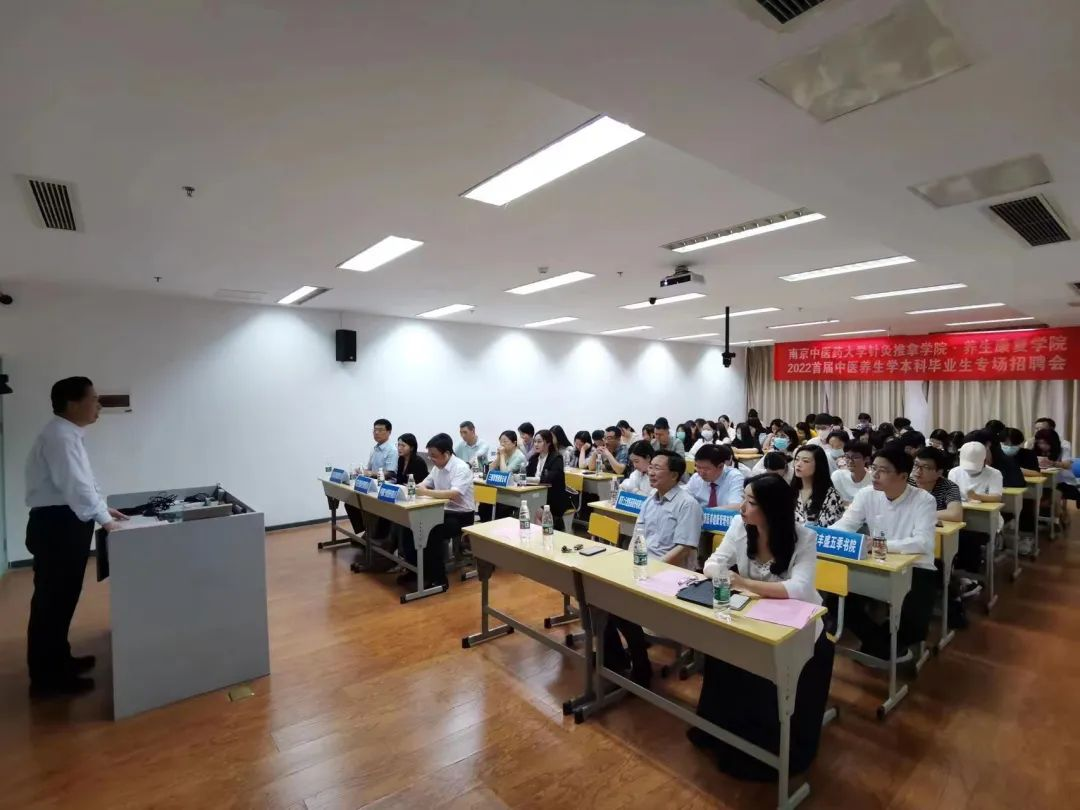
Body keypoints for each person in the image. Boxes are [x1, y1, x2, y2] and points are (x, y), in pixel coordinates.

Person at [691, 474, 833, 780]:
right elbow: (712, 564)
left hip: (798, 628)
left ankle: (769, 750)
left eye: (751, 502)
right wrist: (729, 577)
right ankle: (723, 733)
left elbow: (799, 588)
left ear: (772, 508)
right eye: (743, 498)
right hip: (752, 618)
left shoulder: (804, 537)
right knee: (725, 655)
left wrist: (741, 583)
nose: (742, 507)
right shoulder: (739, 527)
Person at [24, 377, 128, 695]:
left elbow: (85, 482)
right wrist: (103, 520)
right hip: (57, 526)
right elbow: (75, 486)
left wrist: (103, 509)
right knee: (52, 602)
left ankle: (59, 661)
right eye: (93, 399)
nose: (98, 406)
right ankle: (47, 679)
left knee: (62, 598)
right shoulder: (59, 436)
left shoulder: (68, 433)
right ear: (73, 403)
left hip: (64, 522)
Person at [603, 451, 703, 687]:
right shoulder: (650, 500)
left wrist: (651, 571)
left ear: (675, 475)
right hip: (645, 569)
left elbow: (684, 548)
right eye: (651, 467)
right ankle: (617, 662)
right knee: (600, 598)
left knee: (618, 605)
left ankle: (638, 663)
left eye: (657, 468)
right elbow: (638, 538)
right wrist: (627, 567)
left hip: (672, 577)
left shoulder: (687, 504)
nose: (651, 471)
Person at [832, 444, 937, 660]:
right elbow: (845, 525)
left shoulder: (923, 500)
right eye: (873, 468)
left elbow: (923, 543)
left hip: (915, 567)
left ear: (903, 476)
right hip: (874, 564)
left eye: (884, 470)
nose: (875, 474)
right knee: (835, 598)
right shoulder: (867, 494)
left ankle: (886, 645)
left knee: (913, 628)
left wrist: (879, 545)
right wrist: (819, 536)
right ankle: (882, 644)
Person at [404, 434, 475, 590]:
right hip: (442, 510)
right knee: (409, 525)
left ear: (447, 454)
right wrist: (412, 488)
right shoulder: (437, 467)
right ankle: (414, 571)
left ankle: (438, 578)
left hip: (461, 515)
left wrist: (425, 492)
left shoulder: (461, 468)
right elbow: (424, 484)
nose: (431, 460)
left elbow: (453, 494)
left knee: (432, 530)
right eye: (430, 456)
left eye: (434, 456)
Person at [948, 441, 1004, 592]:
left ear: (985, 461)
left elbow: (997, 497)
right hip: (959, 517)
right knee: (951, 538)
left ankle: (970, 577)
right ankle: (951, 574)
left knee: (970, 539)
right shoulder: (954, 472)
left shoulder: (994, 474)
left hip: (985, 520)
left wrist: (977, 496)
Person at [525, 430, 571, 530]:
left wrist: (528, 479)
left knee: (536, 511)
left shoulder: (556, 458)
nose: (536, 444)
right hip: (535, 495)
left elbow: (547, 479)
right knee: (526, 507)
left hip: (553, 498)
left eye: (539, 441)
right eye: (535, 442)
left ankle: (542, 537)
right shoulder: (534, 458)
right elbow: (525, 475)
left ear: (548, 443)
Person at [791, 445, 845, 526]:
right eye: (797, 459)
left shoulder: (831, 496)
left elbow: (829, 529)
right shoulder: (789, 491)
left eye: (805, 461)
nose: (798, 464)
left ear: (818, 465)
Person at [911, 447, 962, 524]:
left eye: (926, 467)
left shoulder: (949, 487)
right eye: (916, 465)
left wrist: (918, 514)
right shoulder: (906, 482)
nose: (918, 471)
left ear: (939, 472)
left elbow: (955, 514)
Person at [686, 444, 745, 509]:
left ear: (720, 466)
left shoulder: (735, 477)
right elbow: (684, 499)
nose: (701, 473)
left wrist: (705, 512)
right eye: (698, 467)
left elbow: (736, 506)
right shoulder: (696, 477)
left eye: (706, 469)